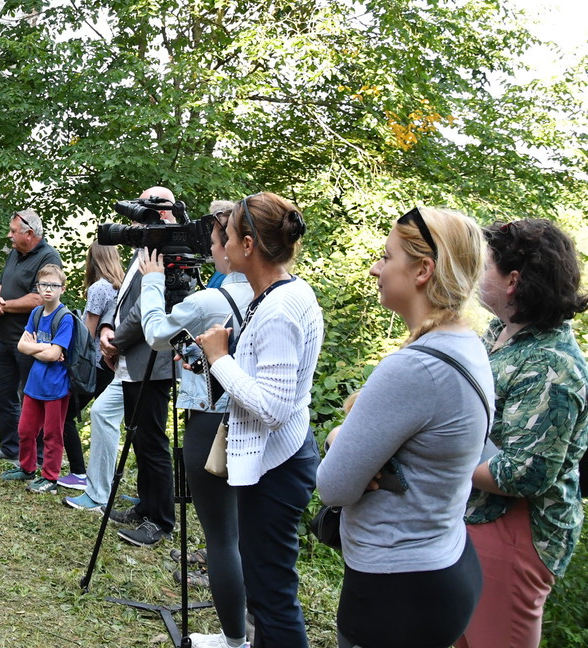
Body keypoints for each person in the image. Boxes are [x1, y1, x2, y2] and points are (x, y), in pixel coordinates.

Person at [315, 205, 492, 648]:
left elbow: (333, 487)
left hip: (396, 590)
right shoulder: (466, 344)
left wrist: (338, 436)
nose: (375, 267)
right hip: (443, 561)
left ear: (422, 271)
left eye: (387, 256)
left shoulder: (415, 368)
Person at [196, 192, 322, 648]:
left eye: (227, 236)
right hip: (279, 461)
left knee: (272, 597)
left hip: (279, 467)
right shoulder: (283, 293)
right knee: (267, 591)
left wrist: (219, 360)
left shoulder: (278, 310)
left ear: (248, 245)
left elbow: (272, 406)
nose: (222, 245)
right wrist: (226, 356)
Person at [457, 219, 588, 648]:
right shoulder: (501, 333)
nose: (477, 272)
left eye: (486, 265)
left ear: (512, 280)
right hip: (474, 518)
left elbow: (522, 475)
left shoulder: (553, 365)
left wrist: (438, 451)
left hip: (515, 534)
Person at [138, 203, 253, 648]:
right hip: (255, 422)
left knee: (221, 538)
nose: (208, 245)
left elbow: (155, 333)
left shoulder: (211, 300)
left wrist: (152, 282)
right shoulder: (276, 293)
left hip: (212, 421)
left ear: (235, 248)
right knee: (246, 535)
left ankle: (232, 640)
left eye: (214, 239)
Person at [98, 185, 179, 548]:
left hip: (152, 362)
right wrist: (106, 327)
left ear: (161, 211)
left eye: (143, 206)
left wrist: (115, 341)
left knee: (152, 441)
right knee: (139, 435)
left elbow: (144, 310)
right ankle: (144, 506)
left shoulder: (167, 249)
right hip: (134, 357)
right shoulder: (145, 246)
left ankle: (160, 520)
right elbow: (125, 297)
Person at [0, 210, 62, 461]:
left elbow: (40, 297)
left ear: (29, 233)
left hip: (33, 341)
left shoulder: (48, 258)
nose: (9, 236)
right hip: (7, 338)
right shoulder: (15, 254)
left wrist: (3, 306)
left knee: (33, 397)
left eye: (13, 231)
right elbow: (1, 283)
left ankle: (35, 456)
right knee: (4, 393)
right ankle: (10, 448)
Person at [1, 264, 74, 492]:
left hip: (56, 386)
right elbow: (22, 346)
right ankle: (27, 468)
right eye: (44, 285)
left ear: (62, 288)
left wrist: (37, 347)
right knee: (25, 429)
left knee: (52, 434)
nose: (48, 290)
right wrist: (44, 349)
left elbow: (54, 354)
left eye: (53, 285)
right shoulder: (35, 312)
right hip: (34, 383)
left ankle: (50, 478)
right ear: (38, 287)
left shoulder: (65, 318)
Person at [59, 241, 124, 491]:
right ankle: (102, 476)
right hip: (112, 364)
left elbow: (89, 332)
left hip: (94, 363)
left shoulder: (98, 288)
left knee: (65, 414)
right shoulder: (121, 287)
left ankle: (78, 472)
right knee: (107, 419)